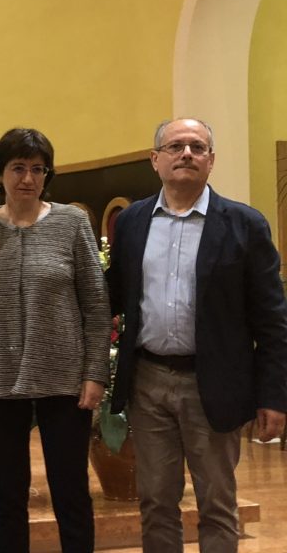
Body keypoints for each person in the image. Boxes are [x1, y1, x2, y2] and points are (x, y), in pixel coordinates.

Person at [106, 118, 287, 552]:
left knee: (217, 504)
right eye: (175, 146)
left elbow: (272, 320)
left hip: (216, 384)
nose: (186, 153)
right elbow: (112, 296)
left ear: (211, 160)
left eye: (197, 147)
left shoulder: (244, 224)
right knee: (156, 502)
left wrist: (274, 396)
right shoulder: (131, 222)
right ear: (155, 160)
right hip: (148, 382)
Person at [0, 128, 111, 553]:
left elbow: (96, 305)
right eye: (18, 168)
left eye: (38, 169)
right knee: (8, 496)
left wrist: (95, 373)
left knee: (71, 492)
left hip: (64, 379)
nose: (28, 178)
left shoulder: (72, 223)